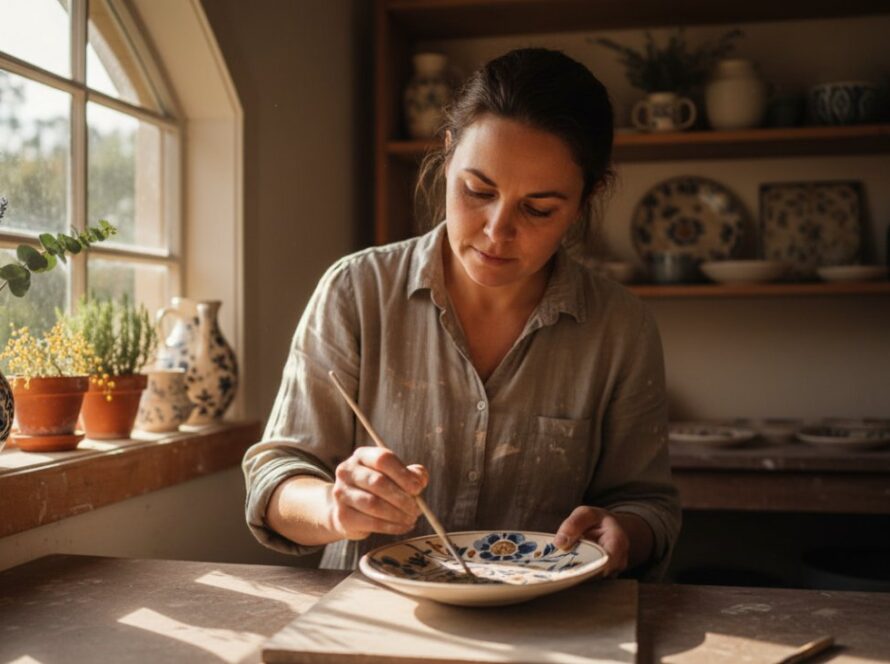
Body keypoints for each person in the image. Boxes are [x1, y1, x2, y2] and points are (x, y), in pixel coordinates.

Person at [243, 48, 680, 580]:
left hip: (546, 627)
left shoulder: (619, 327)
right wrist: (334, 507)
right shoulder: (356, 291)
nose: (498, 231)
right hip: (376, 622)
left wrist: (624, 531)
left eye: (538, 209)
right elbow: (275, 479)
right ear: (447, 156)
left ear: (586, 198)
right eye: (478, 191)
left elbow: (649, 505)